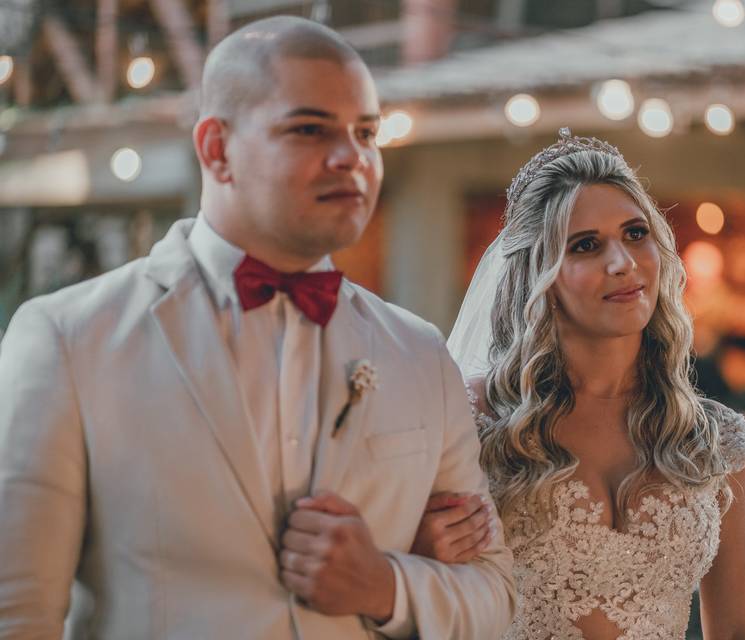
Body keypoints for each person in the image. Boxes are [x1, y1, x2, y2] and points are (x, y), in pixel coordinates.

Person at [0, 17, 514, 639]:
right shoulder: (70, 339)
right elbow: (19, 612)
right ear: (216, 149)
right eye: (309, 129)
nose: (351, 157)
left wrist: (385, 585)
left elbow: (494, 597)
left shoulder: (419, 353)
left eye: (366, 132)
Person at [417, 129, 745, 639]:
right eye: (585, 245)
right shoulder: (471, 419)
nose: (623, 263)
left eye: (635, 233)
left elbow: (739, 630)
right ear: (539, 272)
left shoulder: (715, 443)